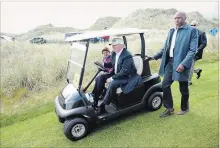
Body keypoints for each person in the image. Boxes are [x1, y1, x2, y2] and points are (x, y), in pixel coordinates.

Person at [148, 12, 198, 117]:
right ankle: (169, 108)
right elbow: (165, 47)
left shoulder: (192, 31)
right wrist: (155, 56)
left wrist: (183, 64)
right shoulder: (171, 31)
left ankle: (185, 108)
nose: (176, 20)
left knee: (183, 87)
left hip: (182, 62)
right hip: (170, 62)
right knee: (165, 84)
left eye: (179, 18)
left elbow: (192, 50)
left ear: (185, 18)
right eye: (175, 18)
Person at [96, 38, 142, 115]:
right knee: (100, 77)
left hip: (128, 77)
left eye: (114, 45)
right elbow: (112, 63)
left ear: (121, 45)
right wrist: (102, 64)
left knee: (113, 83)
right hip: (117, 74)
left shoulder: (127, 56)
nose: (112, 47)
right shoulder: (114, 53)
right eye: (112, 45)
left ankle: (104, 105)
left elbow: (124, 71)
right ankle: (97, 97)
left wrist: (111, 78)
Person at [188, 20, 207, 86]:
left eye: (194, 25)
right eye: (191, 25)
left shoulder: (202, 33)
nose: (192, 26)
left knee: (190, 66)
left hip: (196, 53)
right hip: (188, 52)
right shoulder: (189, 33)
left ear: (197, 26)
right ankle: (197, 71)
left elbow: (204, 43)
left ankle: (188, 82)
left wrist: (197, 50)